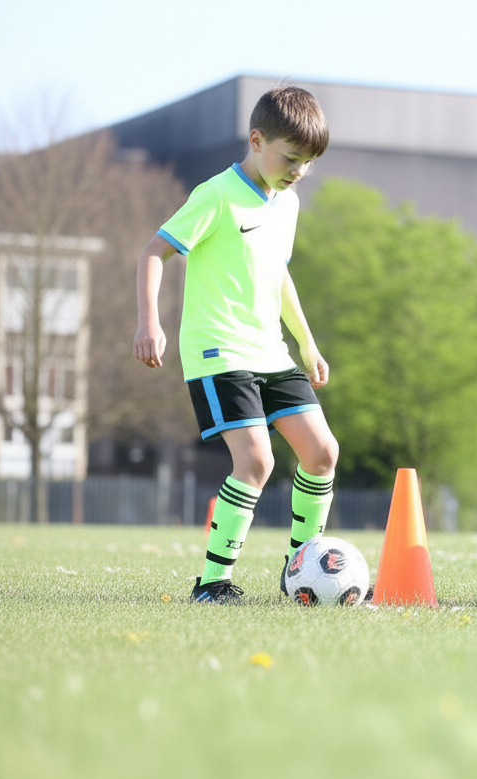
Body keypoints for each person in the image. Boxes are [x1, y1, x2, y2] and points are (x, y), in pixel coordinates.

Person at [134, 85, 338, 603]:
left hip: (271, 352)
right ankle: (212, 583)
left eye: (308, 162)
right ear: (256, 140)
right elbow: (154, 252)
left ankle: (302, 571)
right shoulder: (216, 195)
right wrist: (149, 323)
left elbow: (279, 276)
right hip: (219, 351)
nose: (299, 171)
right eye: (291, 158)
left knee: (322, 453)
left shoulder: (287, 204)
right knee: (255, 462)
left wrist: (307, 344)